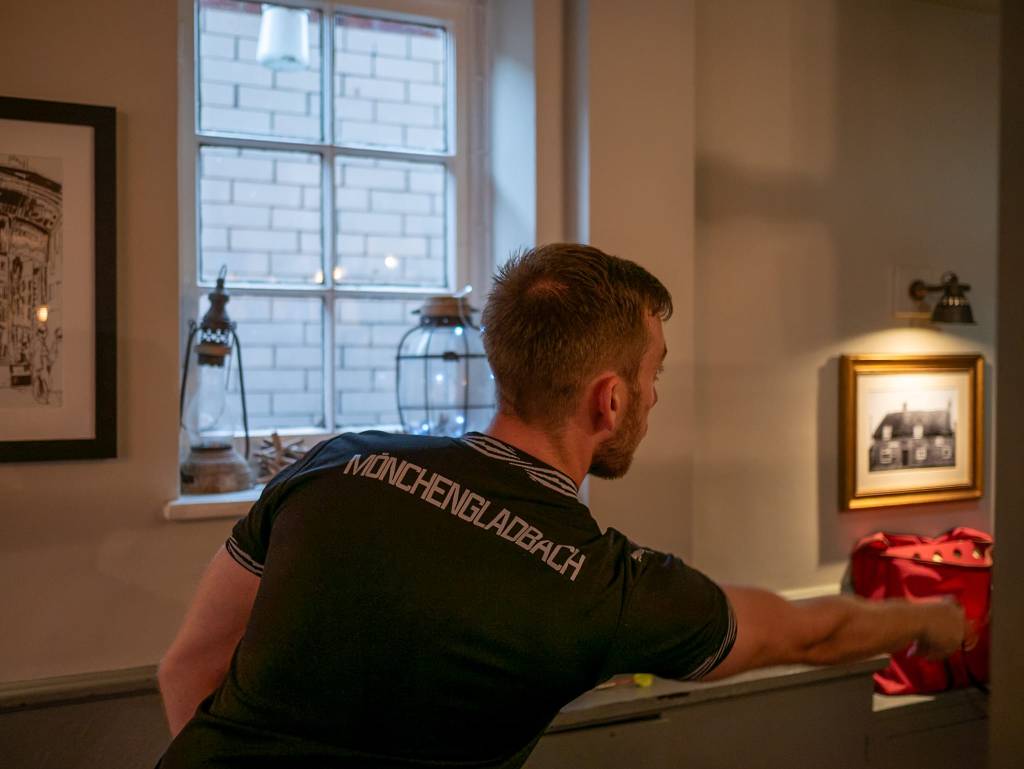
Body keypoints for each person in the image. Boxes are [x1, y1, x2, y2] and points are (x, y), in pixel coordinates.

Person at [157, 243, 969, 768]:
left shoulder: (337, 461)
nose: (656, 394)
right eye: (655, 372)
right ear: (609, 399)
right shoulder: (599, 588)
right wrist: (928, 616)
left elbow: (188, 666)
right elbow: (807, 631)